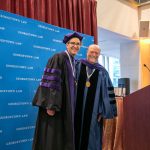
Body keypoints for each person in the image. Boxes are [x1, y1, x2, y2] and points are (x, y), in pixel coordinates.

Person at [32, 32, 83, 150]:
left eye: (78, 44)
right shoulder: (59, 58)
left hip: (66, 106)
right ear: (67, 44)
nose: (75, 46)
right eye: (72, 43)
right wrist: (51, 105)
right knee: (53, 137)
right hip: (56, 107)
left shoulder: (74, 62)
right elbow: (51, 82)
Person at [74, 44, 117, 150]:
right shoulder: (77, 65)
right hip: (75, 109)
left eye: (96, 53)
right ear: (87, 52)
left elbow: (107, 93)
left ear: (99, 54)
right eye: (92, 52)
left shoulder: (102, 72)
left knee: (92, 137)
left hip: (93, 112)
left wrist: (102, 110)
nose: (94, 54)